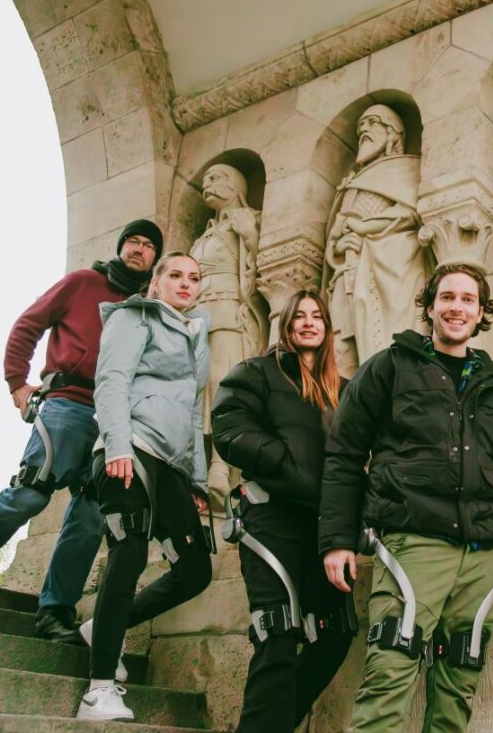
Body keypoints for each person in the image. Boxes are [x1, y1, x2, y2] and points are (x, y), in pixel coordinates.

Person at [319, 263, 493, 733]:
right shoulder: (389, 367)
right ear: (429, 306)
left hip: (481, 558)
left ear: (481, 312)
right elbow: (343, 455)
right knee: (388, 679)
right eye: (447, 297)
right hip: (413, 545)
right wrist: (337, 539)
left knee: (457, 689)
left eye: (468, 300)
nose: (456, 308)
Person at [0, 219, 162, 644]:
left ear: (154, 258)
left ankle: (55, 610)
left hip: (114, 423)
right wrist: (17, 382)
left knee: (90, 517)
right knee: (31, 492)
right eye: (132, 241)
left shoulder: (147, 309)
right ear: (121, 247)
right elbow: (28, 324)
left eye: (148, 245)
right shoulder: (82, 283)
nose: (138, 249)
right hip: (68, 405)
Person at [76, 253, 213, 722]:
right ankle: (98, 691)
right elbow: (111, 380)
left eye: (194, 278)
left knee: (195, 569)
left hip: (171, 465)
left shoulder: (196, 333)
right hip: (129, 447)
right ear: (155, 284)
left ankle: (103, 628)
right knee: (130, 551)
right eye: (175, 275)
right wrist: (116, 444)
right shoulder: (133, 316)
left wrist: (196, 477)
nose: (185, 283)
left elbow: (192, 412)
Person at [212, 289, 354, 733]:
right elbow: (228, 428)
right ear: (286, 324)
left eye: (317, 316)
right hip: (270, 518)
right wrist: (282, 460)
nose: (309, 323)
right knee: (277, 633)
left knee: (335, 633)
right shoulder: (255, 373)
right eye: (300, 316)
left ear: (327, 327)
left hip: (324, 527)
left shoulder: (343, 390)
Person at [322, 104, 425, 376]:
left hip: (387, 272)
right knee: (341, 352)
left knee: (384, 345)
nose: (363, 131)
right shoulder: (351, 184)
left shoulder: (405, 168)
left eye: (372, 123)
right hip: (347, 272)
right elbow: (336, 235)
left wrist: (364, 227)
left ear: (392, 132)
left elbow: (409, 214)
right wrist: (338, 246)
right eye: (360, 127)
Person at [190, 163, 269, 506]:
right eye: (204, 179)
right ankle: (199, 466)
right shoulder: (203, 236)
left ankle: (221, 466)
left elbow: (262, 265)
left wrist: (250, 234)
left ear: (236, 184)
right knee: (198, 389)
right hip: (196, 320)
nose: (206, 184)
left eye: (215, 178)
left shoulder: (249, 218)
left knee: (223, 384)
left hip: (228, 312)